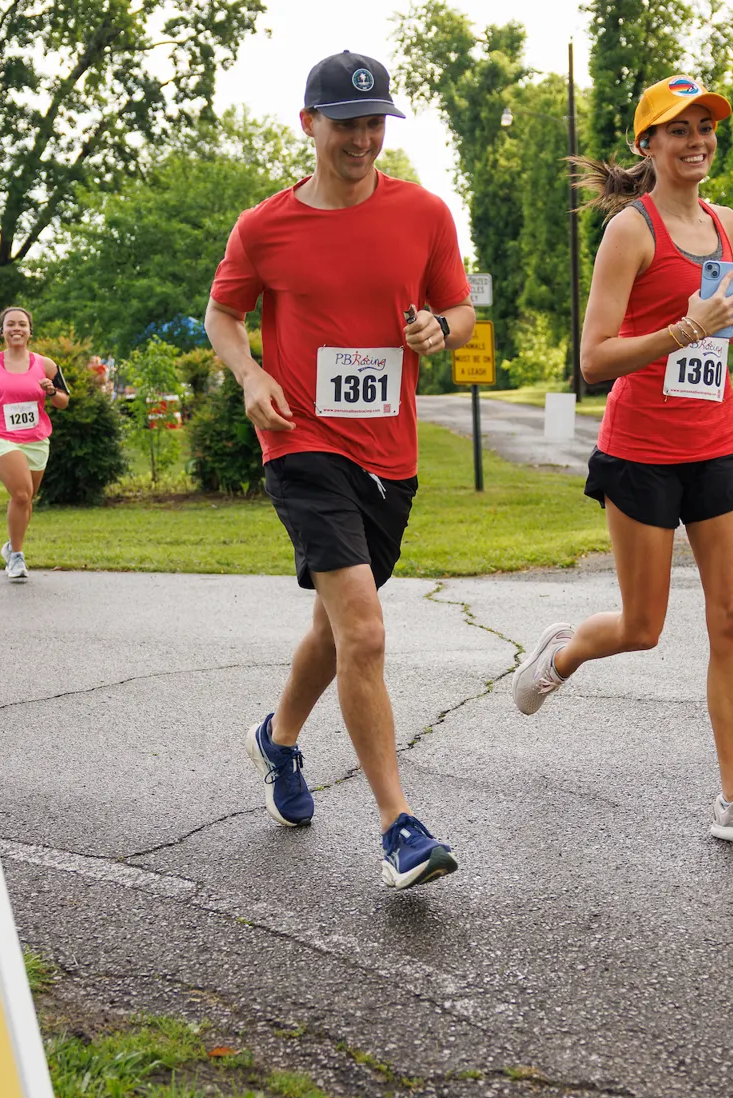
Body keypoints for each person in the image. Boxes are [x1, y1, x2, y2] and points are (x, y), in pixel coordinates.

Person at [508, 75, 733, 853]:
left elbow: (708, 327)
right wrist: (685, 329)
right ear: (647, 144)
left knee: (732, 617)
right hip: (640, 452)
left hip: (717, 443)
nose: (696, 140)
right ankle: (563, 652)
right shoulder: (629, 232)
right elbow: (593, 358)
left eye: (705, 126)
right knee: (642, 628)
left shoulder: (726, 223)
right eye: (679, 129)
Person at [204, 51, 475, 891]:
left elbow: (458, 308)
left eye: (373, 124)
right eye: (346, 124)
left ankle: (277, 740)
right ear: (309, 124)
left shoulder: (422, 213)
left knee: (334, 629)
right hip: (302, 444)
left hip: (390, 456)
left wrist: (440, 330)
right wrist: (250, 375)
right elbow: (222, 312)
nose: (361, 140)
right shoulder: (264, 227)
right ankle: (398, 827)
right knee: (364, 632)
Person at [0, 306, 68, 582]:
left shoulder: (46, 364)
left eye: (22, 324)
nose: (16, 329)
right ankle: (17, 558)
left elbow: (64, 400)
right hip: (1, 436)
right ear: (2, 331)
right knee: (22, 494)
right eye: (10, 324)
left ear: (29, 331)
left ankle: (12, 546)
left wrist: (52, 391)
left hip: (36, 440)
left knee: (26, 499)